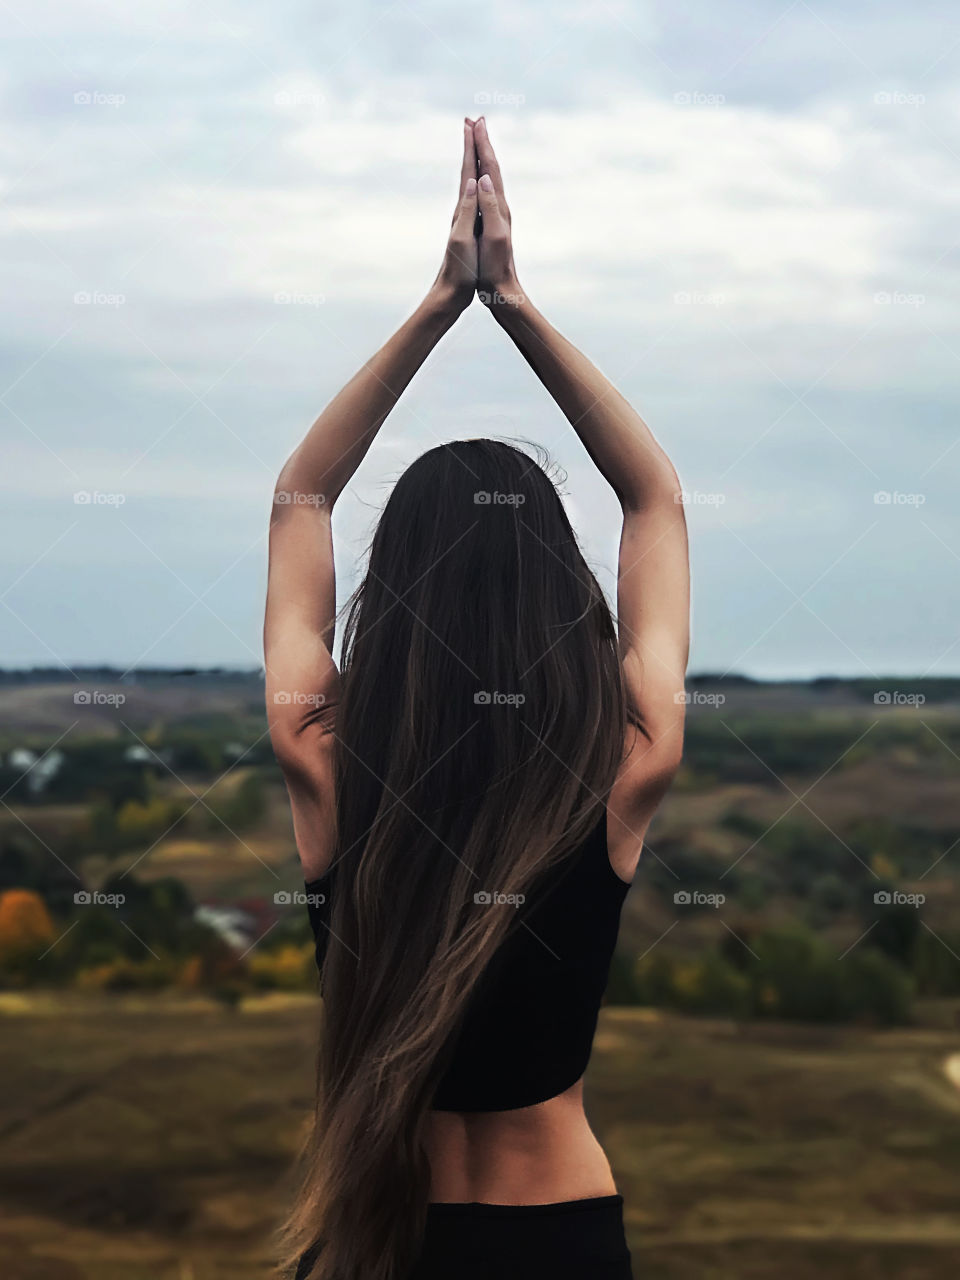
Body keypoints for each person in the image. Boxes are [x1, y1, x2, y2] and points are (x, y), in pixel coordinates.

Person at [264, 117, 689, 1280]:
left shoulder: (326, 755)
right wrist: (511, 303)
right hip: (560, 1243)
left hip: (376, 1245)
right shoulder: (627, 758)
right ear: (560, 601)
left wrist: (439, 303)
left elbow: (302, 496)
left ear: (392, 603)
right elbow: (653, 498)